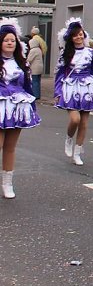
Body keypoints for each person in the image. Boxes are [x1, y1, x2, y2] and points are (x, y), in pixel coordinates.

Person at [54, 17, 93, 166]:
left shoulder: (92, 52)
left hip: (88, 87)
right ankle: (69, 138)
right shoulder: (65, 53)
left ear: (84, 34)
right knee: (75, 119)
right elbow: (59, 74)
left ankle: (78, 152)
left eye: (80, 33)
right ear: (71, 37)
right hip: (70, 87)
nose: (78, 37)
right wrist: (57, 93)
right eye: (75, 35)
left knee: (83, 123)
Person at [0, 18, 40, 199]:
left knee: (10, 147)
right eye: (6, 40)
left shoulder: (22, 63)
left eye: (12, 40)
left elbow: (28, 87)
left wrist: (32, 107)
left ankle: (7, 182)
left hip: (17, 108)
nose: (10, 43)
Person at [26, 36, 44, 100]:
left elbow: (29, 60)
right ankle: (38, 94)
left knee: (34, 81)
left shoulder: (33, 50)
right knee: (38, 81)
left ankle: (35, 95)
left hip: (34, 68)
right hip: (40, 68)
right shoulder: (39, 49)